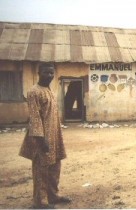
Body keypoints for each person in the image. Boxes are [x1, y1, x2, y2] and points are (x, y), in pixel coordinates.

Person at [19, 63, 71, 209]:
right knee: (41, 169)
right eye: (46, 73)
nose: (49, 76)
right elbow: (35, 119)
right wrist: (42, 140)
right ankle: (40, 202)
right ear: (39, 73)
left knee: (55, 167)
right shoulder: (34, 92)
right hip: (41, 138)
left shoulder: (50, 90)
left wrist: (56, 137)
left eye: (51, 73)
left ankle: (53, 196)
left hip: (55, 136)